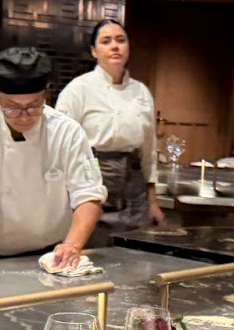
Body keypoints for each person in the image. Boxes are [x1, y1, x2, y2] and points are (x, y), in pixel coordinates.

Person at [0, 46, 105, 272]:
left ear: (46, 94)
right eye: (12, 108)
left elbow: (88, 196)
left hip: (53, 256)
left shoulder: (67, 132)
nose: (24, 117)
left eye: (34, 107)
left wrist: (72, 245)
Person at [55, 18, 166, 234]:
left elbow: (148, 152)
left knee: (132, 246)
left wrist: (153, 202)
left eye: (120, 40)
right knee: (92, 245)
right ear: (94, 51)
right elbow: (60, 147)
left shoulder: (141, 92)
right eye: (106, 41)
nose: (115, 46)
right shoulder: (77, 89)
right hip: (92, 181)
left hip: (133, 186)